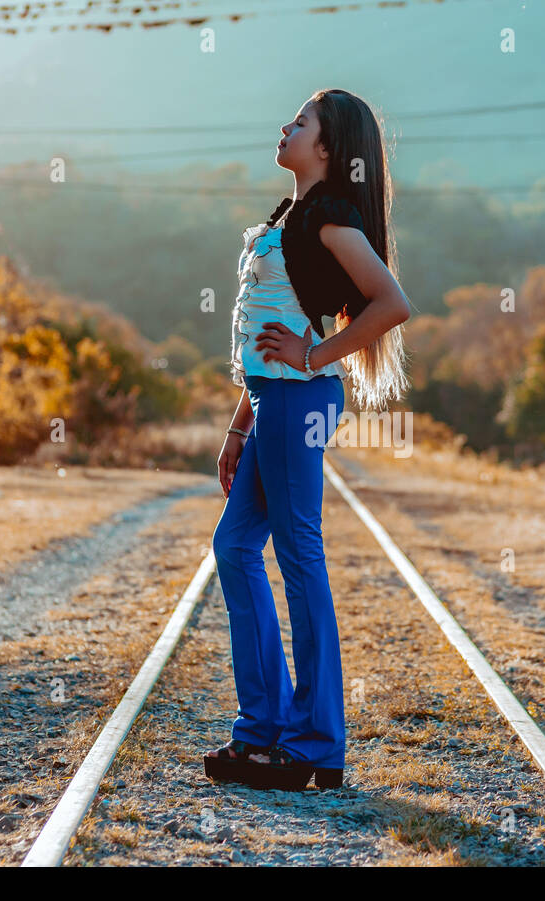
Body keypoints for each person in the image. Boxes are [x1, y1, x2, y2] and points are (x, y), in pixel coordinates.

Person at [204, 89, 412, 791]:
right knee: (234, 547)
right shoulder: (290, 214)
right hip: (271, 403)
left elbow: (391, 303)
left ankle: (316, 743)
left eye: (300, 123)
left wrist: (315, 356)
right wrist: (240, 425)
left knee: (299, 557)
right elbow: (264, 341)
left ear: (327, 149)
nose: (285, 127)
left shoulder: (329, 216)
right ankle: (261, 734)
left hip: (300, 400)